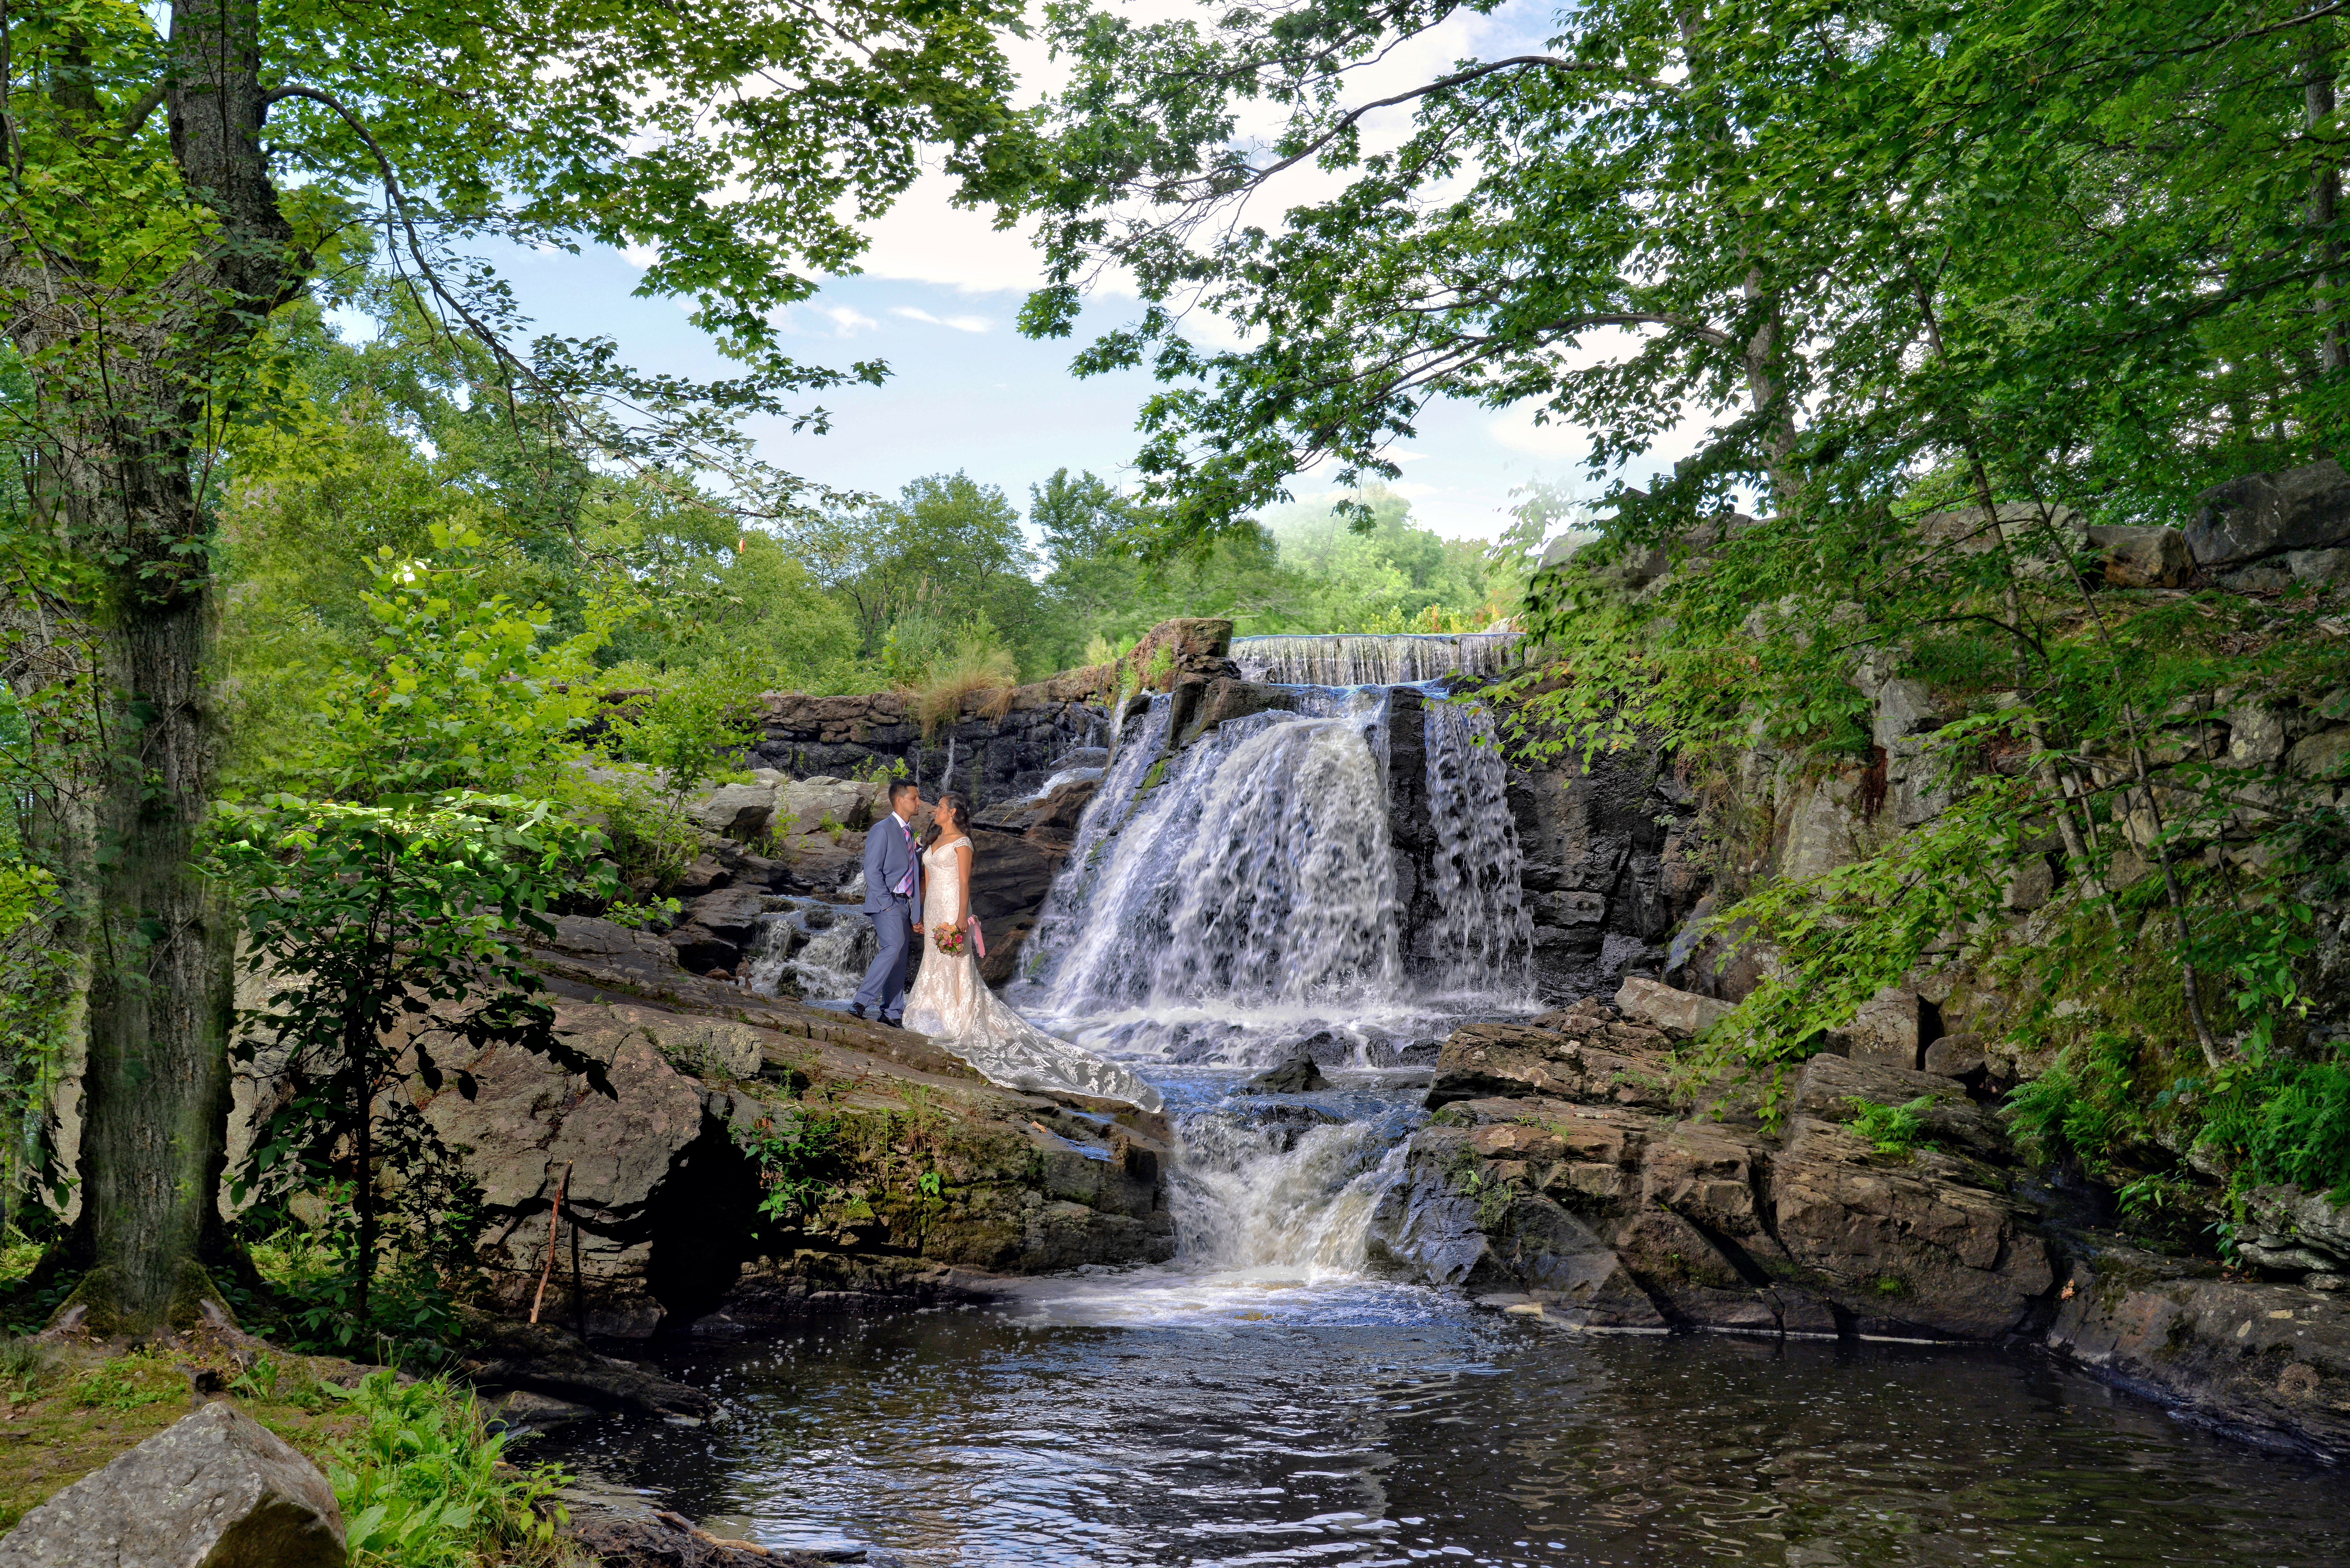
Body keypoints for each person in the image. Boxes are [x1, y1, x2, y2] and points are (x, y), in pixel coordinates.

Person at [901, 792, 1164, 1112]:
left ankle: (957, 1016)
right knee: (933, 962)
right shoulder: (933, 840)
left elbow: (965, 882)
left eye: (940, 806)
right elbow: (927, 879)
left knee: (957, 966)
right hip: (932, 909)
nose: (935, 810)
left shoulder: (963, 843)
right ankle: (935, 1009)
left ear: (952, 812)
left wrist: (959, 921)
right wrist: (919, 915)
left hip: (953, 908)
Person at [849, 779, 925, 1026]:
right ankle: (861, 1001)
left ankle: (892, 1013)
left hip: (906, 904)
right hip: (887, 901)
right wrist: (888, 904)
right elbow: (872, 871)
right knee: (893, 947)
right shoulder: (881, 829)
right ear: (900, 800)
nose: (919, 803)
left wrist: (916, 913)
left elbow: (914, 875)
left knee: (900, 955)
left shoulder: (911, 833)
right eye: (915, 798)